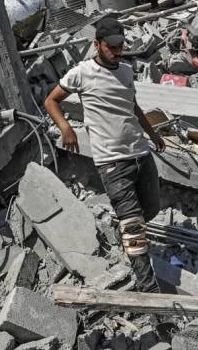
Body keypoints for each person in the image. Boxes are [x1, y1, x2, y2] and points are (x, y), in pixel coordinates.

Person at [44, 16, 166, 293]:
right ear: (97, 44)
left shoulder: (126, 71)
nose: (116, 51)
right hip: (112, 162)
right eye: (111, 46)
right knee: (133, 224)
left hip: (140, 154)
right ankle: (149, 290)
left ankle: (130, 242)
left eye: (120, 45)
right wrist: (65, 128)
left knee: (151, 210)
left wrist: (153, 134)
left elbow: (133, 106)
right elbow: (51, 100)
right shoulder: (82, 72)